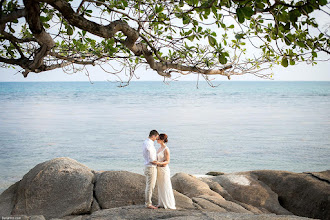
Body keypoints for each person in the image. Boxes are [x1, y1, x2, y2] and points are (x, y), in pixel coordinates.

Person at [156, 133, 176, 209]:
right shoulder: (159, 148)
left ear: (162, 140)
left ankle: (168, 203)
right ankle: (161, 203)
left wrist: (159, 163)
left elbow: (167, 161)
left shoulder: (166, 149)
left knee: (165, 185)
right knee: (160, 186)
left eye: (158, 139)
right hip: (158, 169)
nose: (157, 140)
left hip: (164, 169)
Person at [142, 130, 159, 209]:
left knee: (149, 186)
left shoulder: (146, 142)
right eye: (156, 137)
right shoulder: (149, 144)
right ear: (153, 136)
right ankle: (148, 203)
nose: (156, 139)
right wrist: (160, 163)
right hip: (151, 167)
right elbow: (152, 159)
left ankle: (148, 202)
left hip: (147, 166)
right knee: (150, 186)